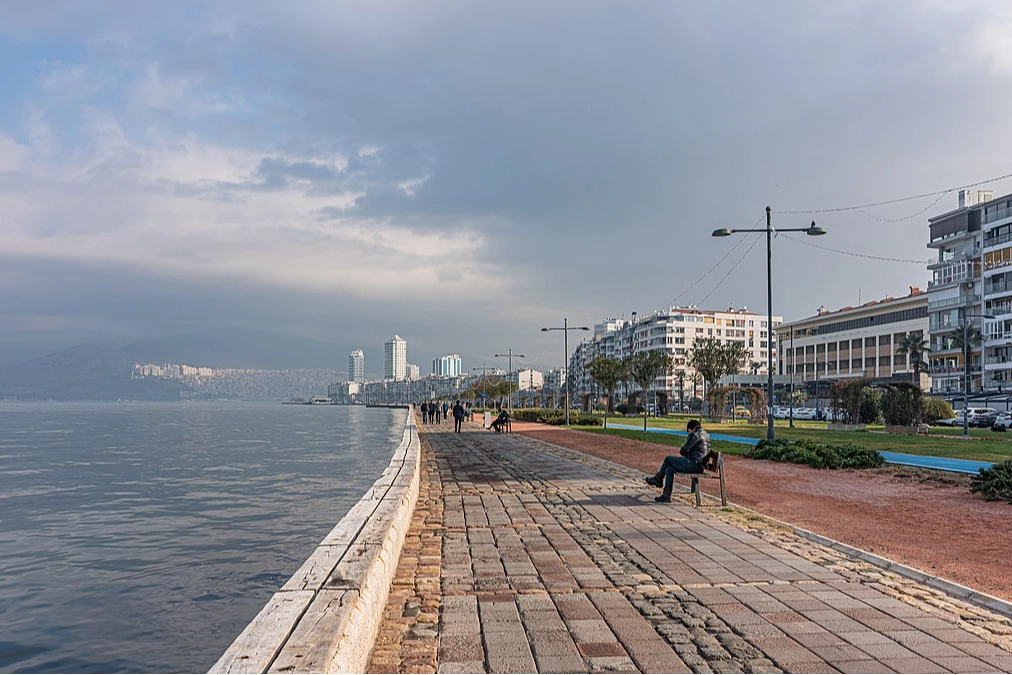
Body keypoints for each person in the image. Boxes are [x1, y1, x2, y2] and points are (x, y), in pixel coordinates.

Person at [644, 419, 711, 503]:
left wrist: (685, 449)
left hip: (694, 464)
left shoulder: (695, 435)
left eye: (689, 431)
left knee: (668, 459)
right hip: (699, 465)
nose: (689, 433)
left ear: (692, 428)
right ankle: (666, 495)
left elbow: (683, 450)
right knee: (669, 469)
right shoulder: (706, 434)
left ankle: (658, 479)